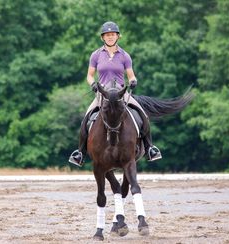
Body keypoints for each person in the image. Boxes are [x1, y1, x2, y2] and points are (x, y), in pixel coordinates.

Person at [69, 21, 161, 167]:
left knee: (142, 114)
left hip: (120, 93)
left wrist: (133, 81)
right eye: (107, 35)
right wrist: (93, 84)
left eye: (112, 35)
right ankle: (80, 153)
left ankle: (150, 148)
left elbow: (131, 75)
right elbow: (89, 75)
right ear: (102, 38)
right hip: (103, 93)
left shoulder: (125, 55)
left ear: (118, 36)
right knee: (86, 118)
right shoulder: (96, 55)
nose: (110, 37)